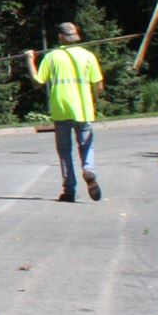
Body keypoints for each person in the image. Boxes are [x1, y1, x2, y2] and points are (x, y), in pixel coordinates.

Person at [26, 22, 104, 202]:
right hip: (83, 109)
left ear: (60, 37)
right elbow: (98, 86)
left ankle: (69, 190)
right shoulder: (88, 56)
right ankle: (89, 169)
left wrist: (29, 60)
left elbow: (37, 82)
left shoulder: (52, 57)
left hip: (60, 109)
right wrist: (93, 100)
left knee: (65, 151)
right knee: (86, 146)